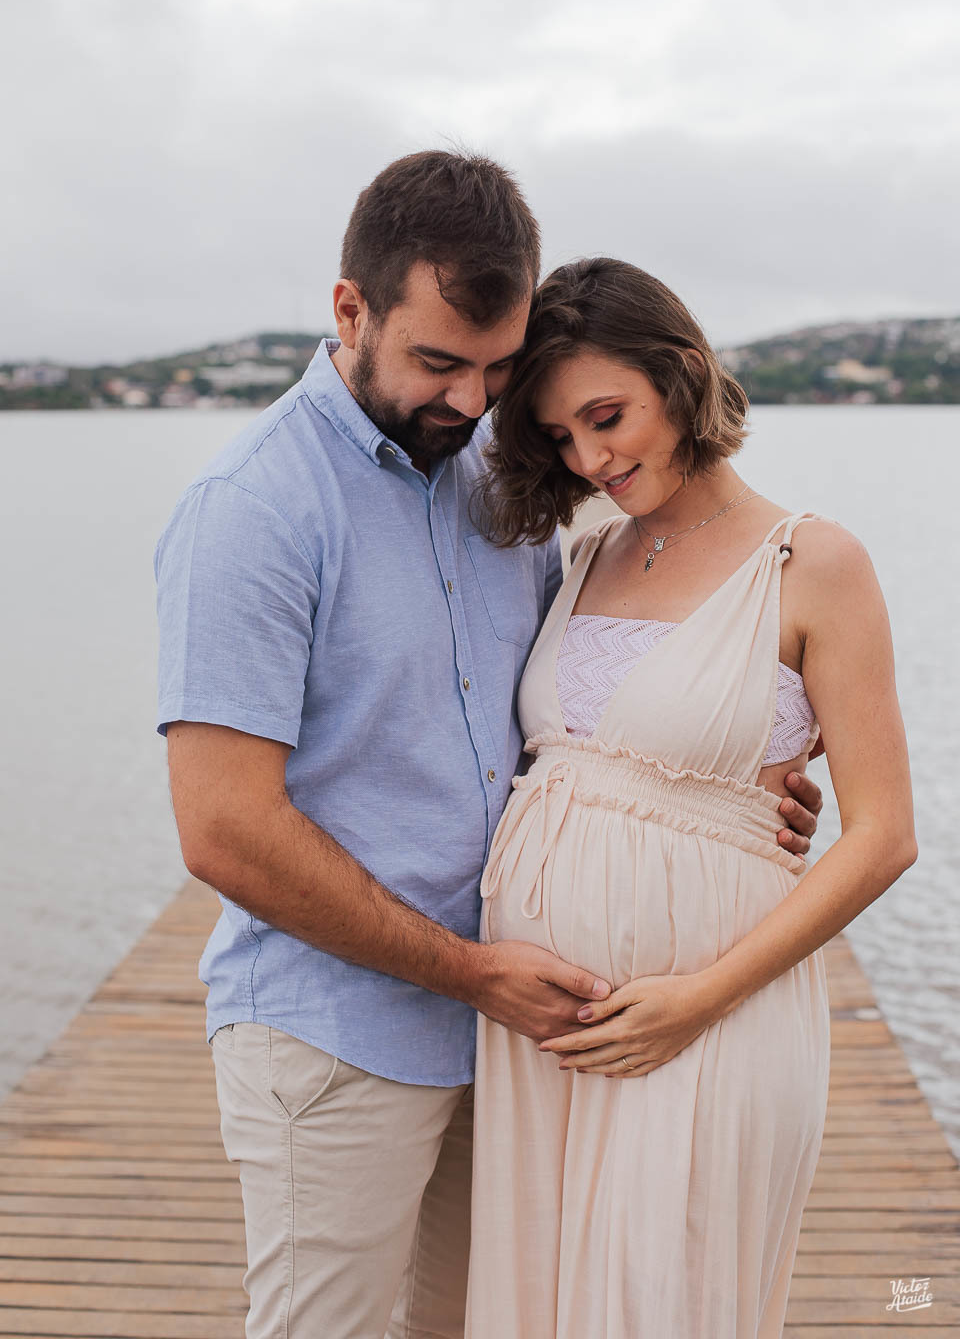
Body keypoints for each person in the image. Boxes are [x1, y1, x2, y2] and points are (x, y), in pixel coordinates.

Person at [154, 154, 822, 1339]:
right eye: (438, 363)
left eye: (498, 368)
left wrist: (747, 764)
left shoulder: (499, 482)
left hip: (514, 1044)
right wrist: (470, 974)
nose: (469, 402)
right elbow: (223, 830)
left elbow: (585, 693)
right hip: (338, 1034)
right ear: (349, 309)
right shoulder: (252, 510)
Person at [465, 256, 918, 1339]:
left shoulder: (812, 562)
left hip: (706, 1019)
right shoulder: (584, 550)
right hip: (541, 1033)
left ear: (681, 374)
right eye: (561, 437)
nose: (592, 457)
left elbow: (885, 838)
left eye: (607, 416)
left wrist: (699, 998)